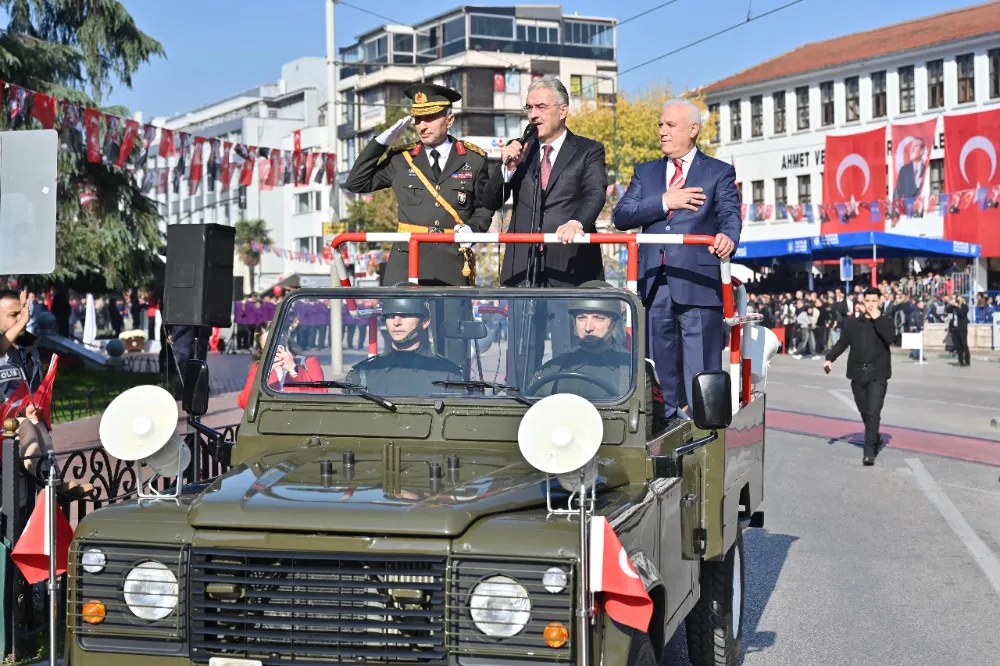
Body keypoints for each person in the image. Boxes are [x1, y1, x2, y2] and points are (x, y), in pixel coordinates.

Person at [345, 83, 493, 368]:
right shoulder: (401, 159)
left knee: (453, 342)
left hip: (451, 260)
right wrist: (381, 143)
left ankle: (453, 396)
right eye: (417, 119)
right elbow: (356, 182)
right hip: (407, 259)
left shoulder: (473, 159)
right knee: (403, 338)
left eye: (429, 118)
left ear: (449, 119)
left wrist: (474, 228)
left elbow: (485, 204)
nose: (421, 126)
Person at [612, 97, 742, 420]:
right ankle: (664, 431)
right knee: (659, 370)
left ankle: (705, 438)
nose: (662, 132)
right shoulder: (647, 173)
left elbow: (729, 215)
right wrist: (664, 201)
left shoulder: (718, 172)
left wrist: (728, 237)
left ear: (693, 129)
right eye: (660, 125)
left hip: (698, 283)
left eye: (670, 125)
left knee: (701, 371)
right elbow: (622, 214)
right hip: (655, 283)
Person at [488, 75, 608, 383]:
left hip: (568, 265)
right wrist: (505, 168)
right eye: (529, 108)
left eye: (541, 106)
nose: (533, 115)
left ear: (563, 110)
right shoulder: (522, 154)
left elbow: (595, 192)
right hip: (523, 265)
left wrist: (577, 222)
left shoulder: (588, 150)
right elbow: (490, 199)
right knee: (521, 351)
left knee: (568, 350)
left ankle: (569, 405)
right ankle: (520, 412)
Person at [528, 283, 667, 437]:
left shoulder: (634, 370)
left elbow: (650, 428)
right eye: (581, 318)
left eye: (598, 318)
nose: (588, 327)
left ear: (613, 322)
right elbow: (533, 422)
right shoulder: (553, 368)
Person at [824, 287, 894, 466]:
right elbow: (842, 343)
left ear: (879, 301)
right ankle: (875, 436)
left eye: (874, 301)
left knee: (873, 412)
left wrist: (877, 317)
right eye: (867, 301)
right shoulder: (854, 323)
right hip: (858, 373)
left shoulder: (884, 321)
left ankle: (868, 452)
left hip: (878, 374)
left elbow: (890, 337)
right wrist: (829, 359)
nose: (870, 304)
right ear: (862, 302)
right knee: (865, 412)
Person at [346, 296, 462, 395]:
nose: (396, 322)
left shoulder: (448, 374)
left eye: (405, 315)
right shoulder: (362, 374)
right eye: (390, 315)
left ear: (425, 321)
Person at [237, 322, 325, 409]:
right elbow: (245, 404)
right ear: (261, 349)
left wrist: (293, 369)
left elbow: (322, 396)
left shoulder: (309, 363)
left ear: (284, 340)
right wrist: (262, 376)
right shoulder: (257, 369)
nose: (274, 348)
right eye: (268, 345)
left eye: (276, 342)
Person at [948, 294, 970, 366]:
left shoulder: (965, 307)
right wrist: (951, 304)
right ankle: (960, 361)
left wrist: (957, 306)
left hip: (962, 328)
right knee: (958, 346)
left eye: (960, 299)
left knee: (964, 345)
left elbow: (962, 314)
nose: (958, 300)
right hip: (955, 328)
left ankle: (967, 361)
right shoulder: (954, 307)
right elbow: (947, 310)